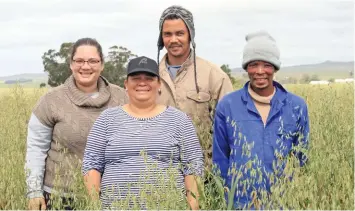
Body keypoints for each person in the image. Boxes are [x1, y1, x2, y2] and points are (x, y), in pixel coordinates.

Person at [82, 56, 204, 210]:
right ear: (126, 84)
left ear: (159, 84)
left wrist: (193, 206)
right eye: (135, 78)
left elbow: (193, 167)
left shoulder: (179, 120)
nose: (142, 82)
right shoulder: (107, 119)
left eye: (149, 78)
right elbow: (92, 164)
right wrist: (94, 205)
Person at [25, 38, 128, 210]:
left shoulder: (123, 98)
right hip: (59, 198)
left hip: (111, 197)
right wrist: (34, 192)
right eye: (79, 61)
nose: (85, 66)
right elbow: (36, 149)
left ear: (102, 64)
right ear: (71, 64)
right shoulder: (50, 101)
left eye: (92, 61)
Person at [212, 31, 310, 209]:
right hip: (240, 204)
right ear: (246, 67)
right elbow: (220, 160)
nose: (259, 71)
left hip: (284, 203)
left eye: (267, 65)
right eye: (253, 64)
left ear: (275, 67)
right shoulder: (227, 105)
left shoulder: (296, 106)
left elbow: (301, 159)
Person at [156, 5, 233, 129]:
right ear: (161, 38)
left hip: (203, 148)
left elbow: (229, 124)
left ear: (190, 35)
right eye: (167, 34)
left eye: (180, 33)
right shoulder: (150, 77)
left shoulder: (214, 75)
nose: (173, 40)